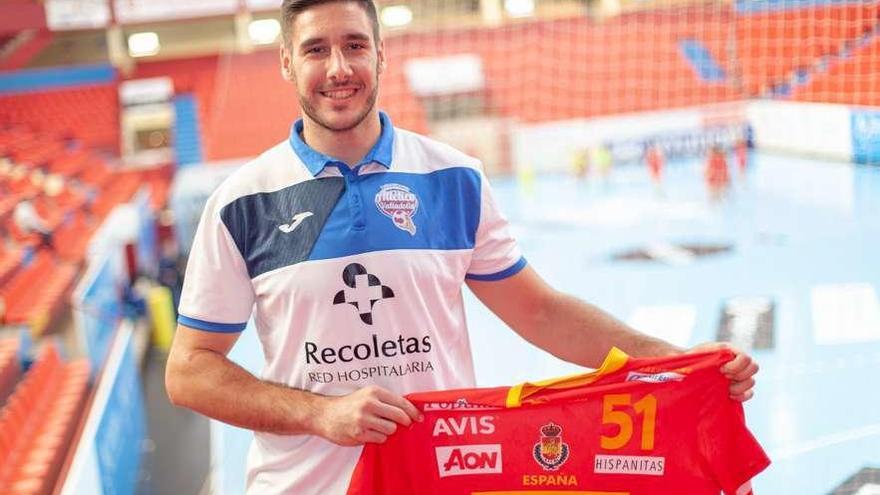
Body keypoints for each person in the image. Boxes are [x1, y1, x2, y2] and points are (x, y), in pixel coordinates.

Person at [164, 2, 760, 494]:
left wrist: (673, 361)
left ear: (381, 55)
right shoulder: (241, 201)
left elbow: (540, 312)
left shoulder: (454, 178)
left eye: (355, 45)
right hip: (303, 486)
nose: (339, 67)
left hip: (442, 477)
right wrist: (321, 413)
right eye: (317, 49)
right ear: (287, 64)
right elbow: (189, 371)